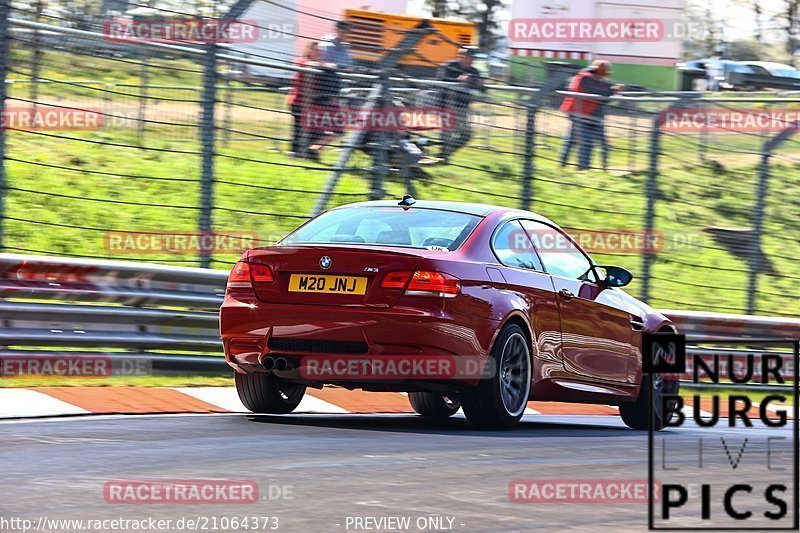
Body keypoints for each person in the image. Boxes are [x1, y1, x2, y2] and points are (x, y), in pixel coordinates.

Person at [559, 59, 621, 171]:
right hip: (581, 113)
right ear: (599, 71)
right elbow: (595, 93)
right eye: (605, 73)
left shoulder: (593, 78)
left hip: (586, 113)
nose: (606, 76)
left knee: (573, 140)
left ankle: (564, 164)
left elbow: (603, 99)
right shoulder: (585, 78)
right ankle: (582, 168)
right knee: (586, 142)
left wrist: (611, 91)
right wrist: (612, 91)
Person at [437, 46, 486, 162]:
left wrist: (480, 84)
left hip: (462, 106)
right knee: (447, 132)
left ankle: (445, 153)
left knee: (466, 134)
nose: (472, 61)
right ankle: (444, 156)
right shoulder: (449, 66)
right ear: (461, 56)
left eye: (473, 58)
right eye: (470, 58)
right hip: (446, 104)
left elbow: (482, 90)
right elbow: (440, 81)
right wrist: (458, 80)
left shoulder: (474, 71)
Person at [285, 42, 320, 158]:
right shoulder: (302, 61)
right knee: (298, 128)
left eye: (319, 51)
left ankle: (307, 152)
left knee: (311, 128)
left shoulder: (318, 64)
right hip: (298, 102)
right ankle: (294, 152)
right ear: (309, 50)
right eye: (316, 50)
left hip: (311, 103)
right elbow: (309, 65)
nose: (319, 53)